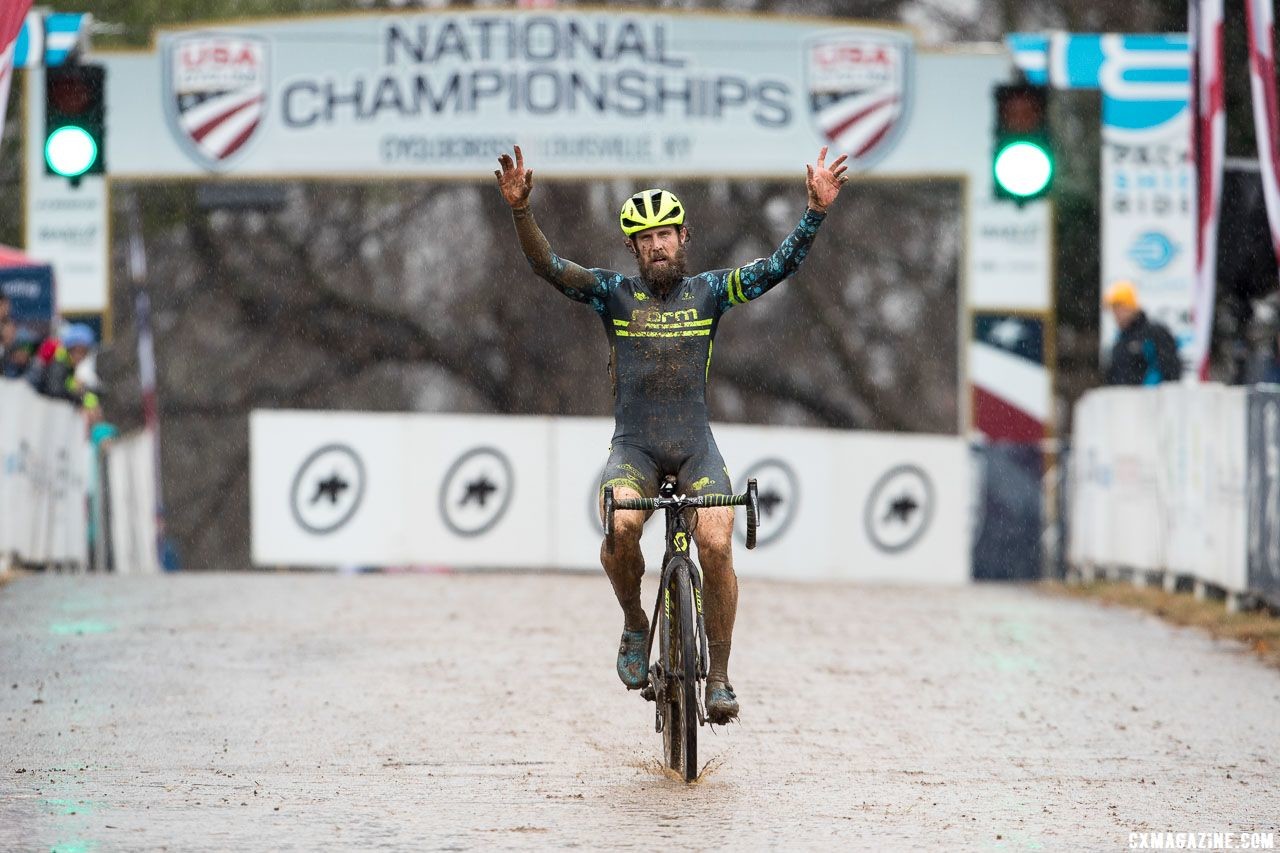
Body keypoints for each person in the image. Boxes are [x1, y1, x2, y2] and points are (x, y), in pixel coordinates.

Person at [495, 144, 848, 723]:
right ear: (633, 249)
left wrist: (813, 212)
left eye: (666, 234)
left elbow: (778, 267)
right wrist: (520, 213)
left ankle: (721, 677)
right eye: (645, 238)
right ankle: (636, 624)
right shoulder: (613, 294)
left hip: (694, 448)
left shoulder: (711, 291)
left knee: (715, 542)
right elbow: (549, 267)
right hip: (633, 448)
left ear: (684, 239)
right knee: (622, 526)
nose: (657, 245)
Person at [1103, 280, 1182, 386]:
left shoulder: (1155, 333)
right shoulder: (1120, 341)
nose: (1115, 314)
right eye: (1113, 309)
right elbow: (1114, 376)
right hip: (1122, 400)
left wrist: (1147, 392)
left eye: (1118, 308)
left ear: (1130, 307)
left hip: (1152, 400)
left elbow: (1170, 370)